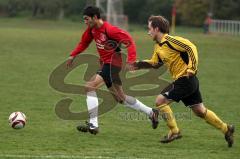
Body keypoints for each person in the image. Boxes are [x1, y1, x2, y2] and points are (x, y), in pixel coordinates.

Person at [134, 15, 234, 147]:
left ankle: (174, 131)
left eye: (149, 29)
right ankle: (226, 129)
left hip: (186, 78)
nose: (148, 32)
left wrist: (192, 67)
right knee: (199, 110)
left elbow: (191, 47)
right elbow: (155, 63)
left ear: (157, 29)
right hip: (187, 81)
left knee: (160, 101)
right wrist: (138, 64)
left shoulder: (171, 40)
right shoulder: (158, 47)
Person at [66, 6, 159, 135]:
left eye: (87, 19)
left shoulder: (110, 30)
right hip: (107, 65)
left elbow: (129, 41)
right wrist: (73, 55)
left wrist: (131, 60)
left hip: (112, 64)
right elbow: (84, 43)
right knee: (121, 99)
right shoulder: (92, 30)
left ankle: (93, 124)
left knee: (89, 87)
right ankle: (151, 112)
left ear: (95, 17)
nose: (85, 22)